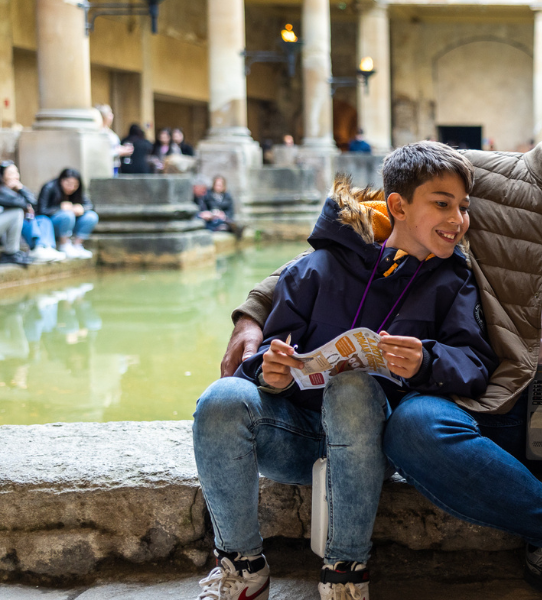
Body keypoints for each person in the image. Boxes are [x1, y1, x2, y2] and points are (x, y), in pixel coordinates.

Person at [220, 65, 542, 600]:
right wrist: (254, 311)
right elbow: (356, 239)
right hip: (488, 401)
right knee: (412, 426)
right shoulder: (474, 180)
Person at [194, 141, 499, 600]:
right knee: (218, 400)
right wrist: (269, 372)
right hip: (297, 438)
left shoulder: (454, 283)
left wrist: (426, 360)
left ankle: (346, 572)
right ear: (397, 205)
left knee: (354, 387)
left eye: (463, 207)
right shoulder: (316, 269)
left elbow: (475, 365)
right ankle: (241, 567)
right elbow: (271, 352)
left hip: (373, 449)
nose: (458, 220)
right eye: (442, 204)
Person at [34, 168, 97, 259]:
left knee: (91, 216)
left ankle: (77, 245)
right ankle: (64, 244)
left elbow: (90, 206)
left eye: (75, 185)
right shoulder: (49, 187)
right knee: (68, 214)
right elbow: (41, 210)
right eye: (68, 183)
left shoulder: (78, 191)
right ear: (61, 180)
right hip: (52, 224)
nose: (71, 188)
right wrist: (59, 208)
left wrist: (81, 208)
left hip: (73, 223)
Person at [0, 161, 35, 266]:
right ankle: (11, 252)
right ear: (2, 176)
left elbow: (33, 204)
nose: (14, 176)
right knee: (16, 212)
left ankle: (13, 252)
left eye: (16, 172)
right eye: (10, 173)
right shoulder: (2, 190)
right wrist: (21, 189)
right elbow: (25, 203)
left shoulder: (13, 190)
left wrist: (21, 188)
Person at [96, 105, 134, 175]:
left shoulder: (109, 132)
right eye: (110, 114)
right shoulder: (99, 132)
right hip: (105, 167)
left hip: (115, 166)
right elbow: (100, 153)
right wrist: (118, 151)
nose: (112, 116)